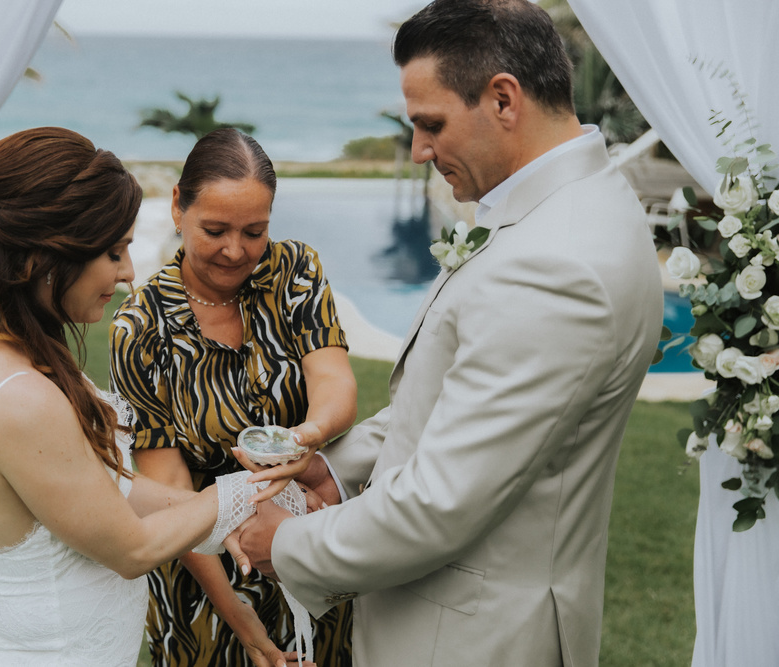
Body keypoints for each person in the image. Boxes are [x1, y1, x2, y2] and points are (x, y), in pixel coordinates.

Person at [236, 1, 664, 665]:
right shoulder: (575, 209)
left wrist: (286, 544)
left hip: (468, 638)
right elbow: (448, 405)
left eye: (431, 124)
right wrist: (333, 468)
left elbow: (441, 503)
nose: (419, 150)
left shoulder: (556, 264)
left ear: (502, 99)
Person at [0, 127, 302, 667]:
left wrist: (228, 513)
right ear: (48, 257)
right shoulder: (21, 396)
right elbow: (131, 549)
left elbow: (112, 489)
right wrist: (236, 494)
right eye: (114, 251)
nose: (126, 273)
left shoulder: (21, 361)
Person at [110, 127, 357, 666]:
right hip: (205, 578)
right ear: (178, 206)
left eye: (254, 231)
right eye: (216, 229)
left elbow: (334, 382)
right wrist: (239, 617)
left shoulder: (295, 273)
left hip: (307, 545)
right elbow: (166, 487)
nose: (235, 251)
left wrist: (304, 441)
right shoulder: (141, 328)